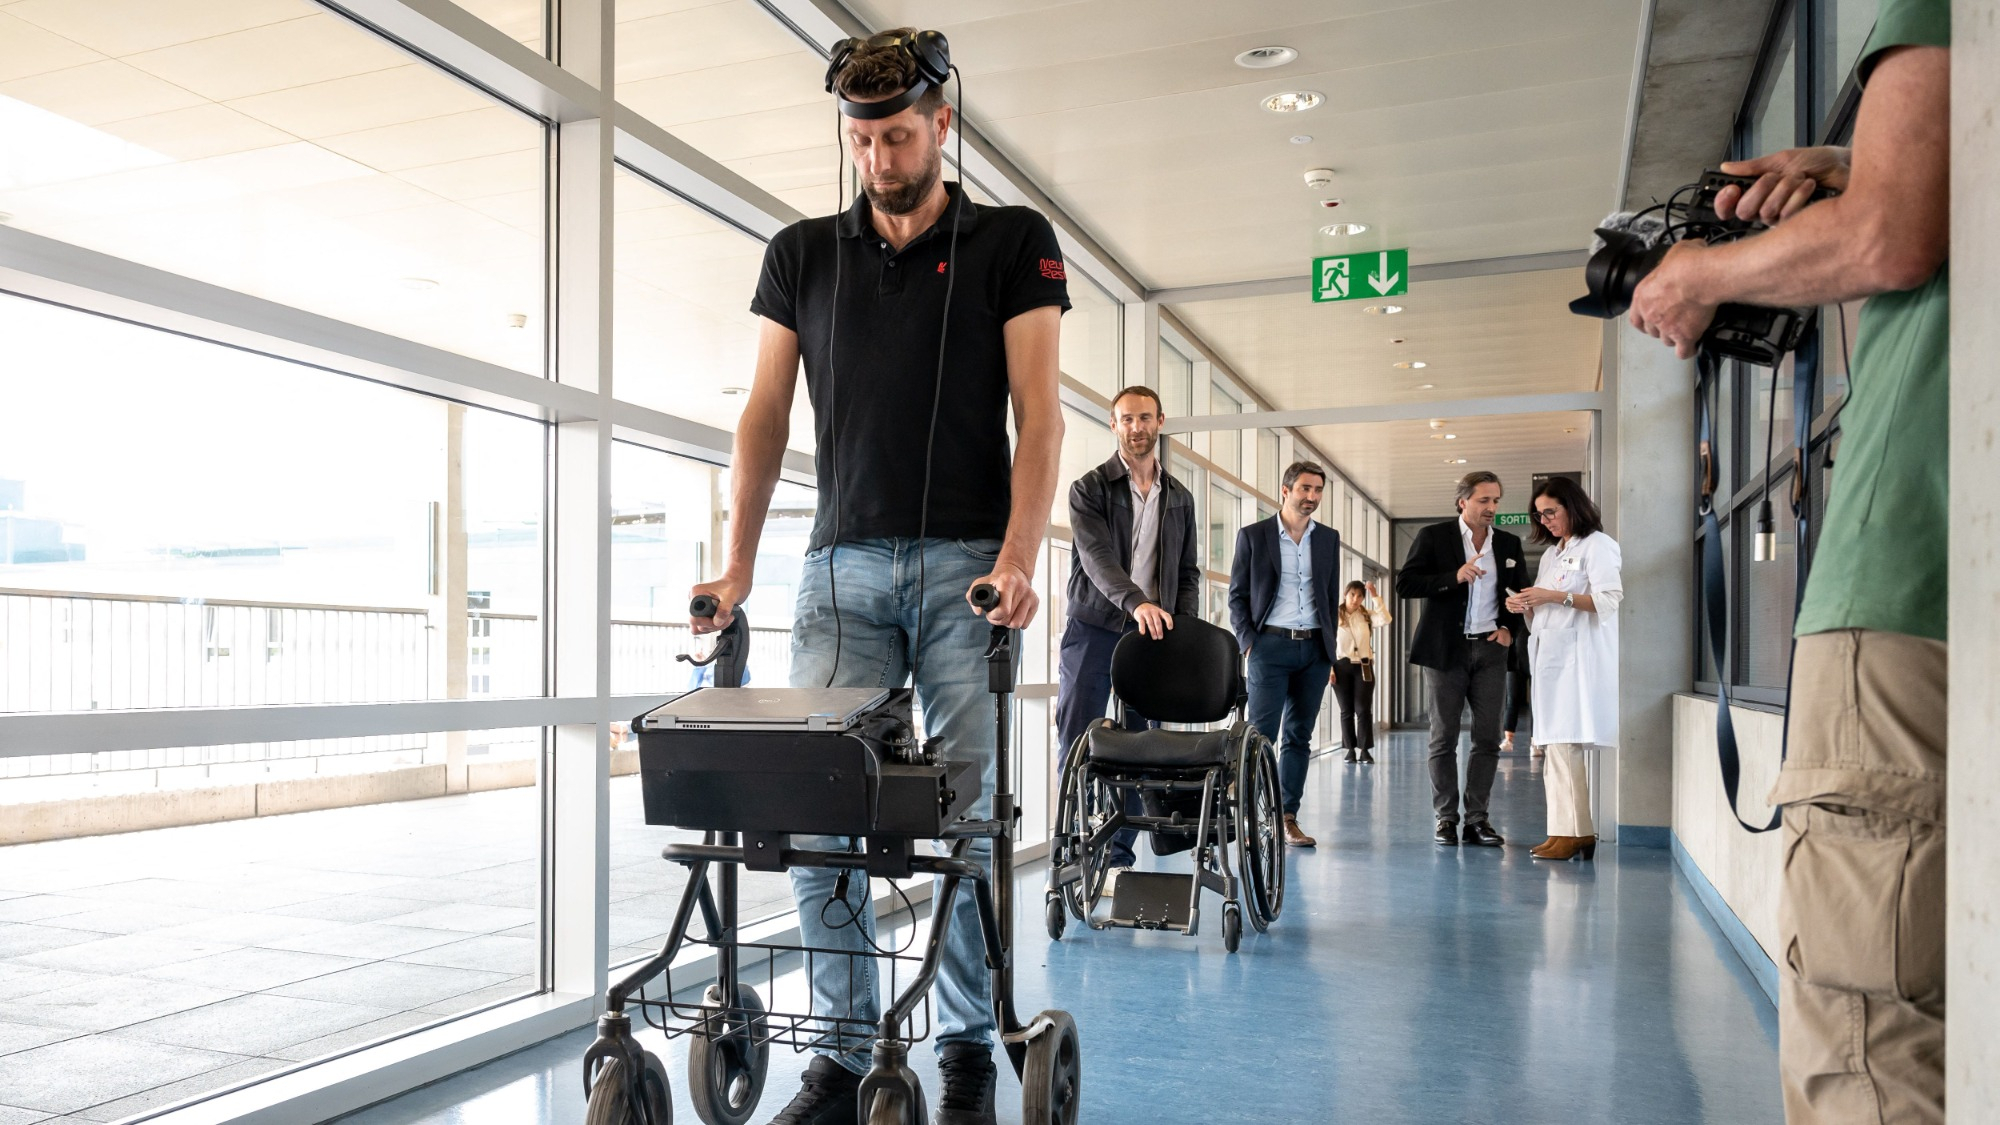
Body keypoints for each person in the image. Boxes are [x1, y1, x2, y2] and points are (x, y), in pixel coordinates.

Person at [689, 29, 1068, 1125]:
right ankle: (842, 1054)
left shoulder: (1013, 243)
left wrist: (1014, 558)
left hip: (964, 571)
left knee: (958, 822)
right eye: (862, 138)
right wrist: (738, 565)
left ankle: (958, 1051)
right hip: (839, 568)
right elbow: (762, 413)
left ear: (942, 123)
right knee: (817, 816)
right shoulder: (801, 253)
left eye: (899, 134)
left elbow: (1038, 417)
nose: (880, 157)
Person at [1626, 1, 1947, 1117]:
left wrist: (1701, 277)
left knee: (1873, 1028)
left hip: (1919, 567)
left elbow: (1889, 235)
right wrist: (1857, 162)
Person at [1056, 384, 1200, 870]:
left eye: (1145, 418)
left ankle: (1118, 861)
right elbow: (1096, 560)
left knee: (1142, 748)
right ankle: (1071, 852)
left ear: (1160, 422)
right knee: (1078, 741)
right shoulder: (1089, 489)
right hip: (1093, 628)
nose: (1136, 428)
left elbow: (1186, 573)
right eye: (1126, 419)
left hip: (1151, 637)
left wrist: (1183, 632)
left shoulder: (1179, 497)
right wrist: (1136, 603)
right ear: (1113, 424)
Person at [1395, 470, 1525, 848]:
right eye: (1484, 500)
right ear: (1463, 501)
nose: (1492, 508)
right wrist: (1454, 576)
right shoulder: (1434, 537)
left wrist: (1508, 629)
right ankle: (1446, 818)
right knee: (1444, 737)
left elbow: (1519, 593)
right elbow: (1406, 584)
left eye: (1496, 500)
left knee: (1488, 738)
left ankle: (1478, 819)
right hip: (1446, 651)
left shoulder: (1509, 544)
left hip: (1491, 650)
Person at [1227, 461, 1342, 849]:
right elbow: (1237, 596)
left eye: (1318, 490)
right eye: (1305, 489)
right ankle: (1249, 816)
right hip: (1269, 647)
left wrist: (1328, 648)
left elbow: (1329, 596)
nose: (1311, 497)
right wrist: (1249, 643)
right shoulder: (1254, 536)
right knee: (1261, 736)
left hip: (1314, 649)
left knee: (1299, 737)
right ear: (1286, 490)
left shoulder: (1328, 539)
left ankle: (1286, 817)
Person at [1505, 477, 1621, 861]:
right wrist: (1526, 605)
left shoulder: (1599, 546)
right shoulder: (1556, 553)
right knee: (1553, 745)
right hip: (1550, 657)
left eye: (1551, 512)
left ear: (1572, 506)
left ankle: (1577, 833)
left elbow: (1609, 599)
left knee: (1566, 744)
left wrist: (1553, 595)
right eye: (1540, 515)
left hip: (1577, 660)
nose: (1546, 520)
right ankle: (1563, 830)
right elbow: (1545, 607)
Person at [1329, 580, 1391, 764]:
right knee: (1346, 710)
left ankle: (1364, 750)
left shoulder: (1366, 615)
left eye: (1360, 596)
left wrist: (1374, 594)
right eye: (1352, 595)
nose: (1355, 599)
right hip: (1340, 666)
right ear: (1345, 595)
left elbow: (1386, 619)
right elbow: (1327, 644)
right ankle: (1349, 750)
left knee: (1363, 710)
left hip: (1363, 666)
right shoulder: (1334, 616)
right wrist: (1329, 668)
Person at [1500, 647, 1534, 757]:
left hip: (1534, 657)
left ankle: (1535, 743)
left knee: (1535, 702)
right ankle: (1508, 740)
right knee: (1512, 699)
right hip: (1515, 660)